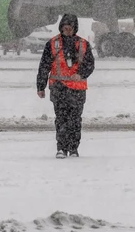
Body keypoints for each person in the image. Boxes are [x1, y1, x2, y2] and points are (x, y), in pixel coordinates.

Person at [36, 13, 94, 158]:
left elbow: (90, 64)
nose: (67, 30)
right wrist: (40, 86)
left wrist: (80, 74)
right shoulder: (52, 44)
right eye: (65, 28)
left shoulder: (83, 44)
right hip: (59, 87)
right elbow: (44, 66)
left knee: (75, 120)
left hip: (77, 89)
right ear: (61, 27)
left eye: (70, 28)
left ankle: (73, 148)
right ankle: (61, 148)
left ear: (75, 28)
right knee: (61, 119)